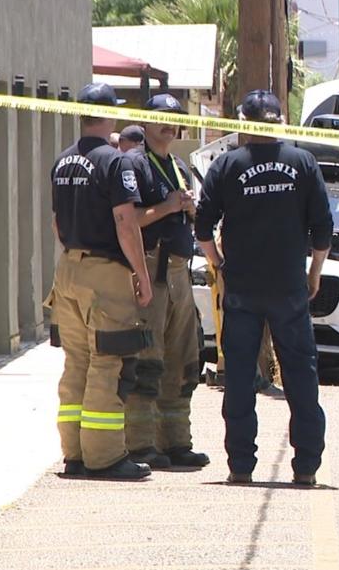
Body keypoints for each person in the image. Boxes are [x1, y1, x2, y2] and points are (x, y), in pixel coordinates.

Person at [195, 89, 333, 485]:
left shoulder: (227, 165)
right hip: (289, 287)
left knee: (239, 377)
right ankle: (306, 467)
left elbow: (203, 226)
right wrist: (314, 272)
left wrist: (217, 264)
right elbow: (322, 228)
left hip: (241, 287)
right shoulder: (303, 163)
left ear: (243, 122)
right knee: (301, 376)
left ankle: (241, 465)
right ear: (278, 122)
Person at [45, 82, 155, 481]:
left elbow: (58, 222)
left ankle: (74, 454)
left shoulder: (62, 162)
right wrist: (141, 275)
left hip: (67, 270)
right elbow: (126, 223)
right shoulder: (116, 162)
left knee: (76, 362)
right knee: (109, 363)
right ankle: (104, 456)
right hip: (104, 275)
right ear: (109, 115)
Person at [123, 94, 209, 469]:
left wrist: (188, 208)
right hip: (151, 271)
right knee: (147, 362)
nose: (169, 125)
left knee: (184, 362)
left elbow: (181, 211)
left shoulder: (177, 164)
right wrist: (169, 207)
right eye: (160, 118)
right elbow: (129, 220)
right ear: (144, 122)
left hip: (180, 274)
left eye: (174, 118)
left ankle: (177, 442)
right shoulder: (134, 165)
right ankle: (142, 445)